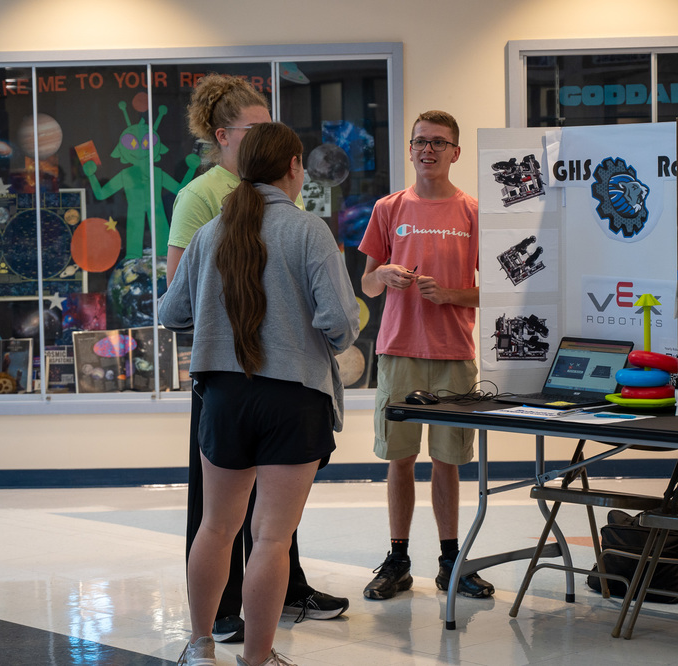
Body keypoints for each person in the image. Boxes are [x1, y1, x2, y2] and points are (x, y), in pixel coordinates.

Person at [161, 122, 359, 666]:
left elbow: (170, 313)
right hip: (292, 401)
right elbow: (340, 320)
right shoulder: (307, 230)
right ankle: (258, 658)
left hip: (223, 398)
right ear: (294, 167)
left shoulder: (210, 232)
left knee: (216, 527)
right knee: (270, 539)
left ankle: (200, 647)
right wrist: (324, 337)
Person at [358, 110, 493, 601]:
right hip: (399, 351)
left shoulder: (475, 212)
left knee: (448, 460)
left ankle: (450, 559)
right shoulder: (388, 208)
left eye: (438, 142)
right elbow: (367, 285)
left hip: (455, 353)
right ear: (410, 149)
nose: (428, 150)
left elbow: (499, 290)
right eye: (420, 142)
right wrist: (385, 276)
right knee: (399, 458)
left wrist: (453, 296)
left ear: (455, 152)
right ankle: (397, 559)